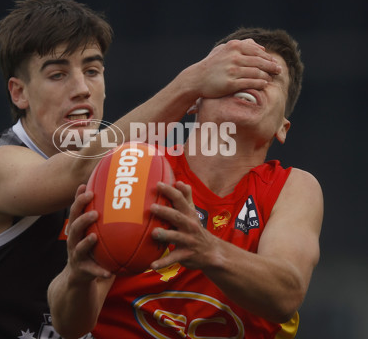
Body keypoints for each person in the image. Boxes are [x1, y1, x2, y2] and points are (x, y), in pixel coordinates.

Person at [0, 0, 282, 339]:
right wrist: (189, 84)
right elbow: (76, 169)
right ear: (19, 93)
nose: (81, 89)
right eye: (57, 75)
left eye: (92, 70)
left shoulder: (118, 174)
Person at [48, 27, 324, 339]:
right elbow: (69, 326)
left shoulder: (294, 187)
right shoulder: (135, 167)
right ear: (195, 101)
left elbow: (286, 294)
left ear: (282, 128)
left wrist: (208, 250)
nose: (252, 80)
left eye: (269, 76)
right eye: (238, 72)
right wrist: (78, 277)